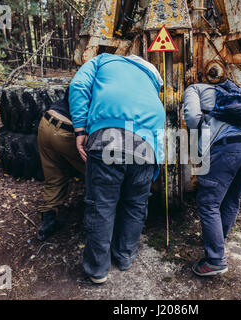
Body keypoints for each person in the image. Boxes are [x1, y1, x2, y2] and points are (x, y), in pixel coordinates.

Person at [69, 53, 165, 284]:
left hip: (107, 135)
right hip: (146, 145)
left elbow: (78, 85)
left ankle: (97, 269)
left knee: (101, 205)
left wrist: (80, 130)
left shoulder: (102, 60)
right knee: (135, 205)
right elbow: (159, 127)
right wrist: (155, 167)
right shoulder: (152, 79)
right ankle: (125, 256)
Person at [183, 82, 241, 276]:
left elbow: (192, 118)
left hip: (228, 148)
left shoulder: (194, 88)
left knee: (208, 202)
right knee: (231, 199)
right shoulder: (231, 90)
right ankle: (218, 240)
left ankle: (215, 260)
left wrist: (199, 141)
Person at [36, 87, 84, 241]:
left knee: (54, 174)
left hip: (47, 122)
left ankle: (47, 223)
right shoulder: (103, 80)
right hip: (68, 131)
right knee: (98, 173)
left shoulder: (84, 76)